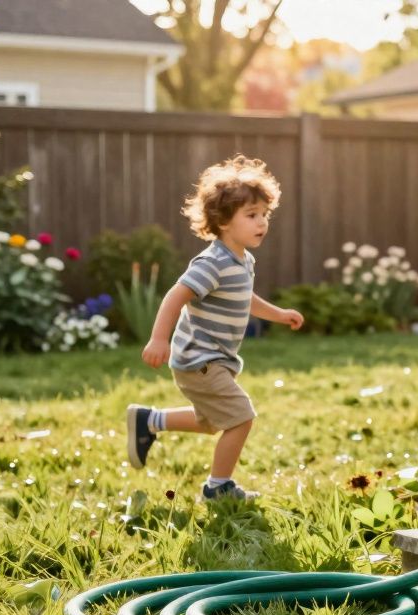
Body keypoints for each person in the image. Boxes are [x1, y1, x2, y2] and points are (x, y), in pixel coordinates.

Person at [126, 155, 304, 501]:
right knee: (241, 418)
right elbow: (176, 296)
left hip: (214, 360)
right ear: (223, 221)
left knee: (212, 422)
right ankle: (218, 487)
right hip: (200, 359)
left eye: (265, 215)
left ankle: (150, 420)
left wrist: (279, 314)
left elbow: (245, 298)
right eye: (251, 215)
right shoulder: (213, 261)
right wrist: (159, 338)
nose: (262, 223)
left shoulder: (242, 260)